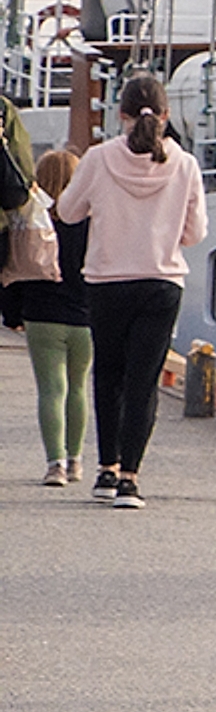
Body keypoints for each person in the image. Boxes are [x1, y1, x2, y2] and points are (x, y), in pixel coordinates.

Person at [57, 77, 209, 509]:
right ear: (165, 115)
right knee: (144, 382)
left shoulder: (99, 158)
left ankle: (106, 470)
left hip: (107, 281)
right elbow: (195, 234)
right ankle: (130, 480)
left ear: (120, 114)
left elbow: (68, 211)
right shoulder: (185, 165)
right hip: (161, 281)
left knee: (108, 375)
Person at [6, 146, 97, 484]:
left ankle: (55, 465)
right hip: (85, 317)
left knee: (50, 390)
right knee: (78, 388)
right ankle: (76, 461)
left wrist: (12, 315)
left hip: (41, 315)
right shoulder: (91, 224)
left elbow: (13, 269)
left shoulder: (31, 221)